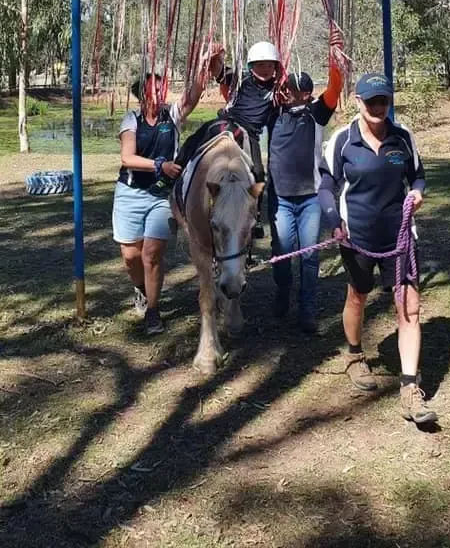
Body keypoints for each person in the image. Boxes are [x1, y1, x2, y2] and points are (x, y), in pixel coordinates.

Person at [318, 72, 436, 424]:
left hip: (399, 237)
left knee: (409, 307)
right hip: (356, 237)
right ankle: (355, 356)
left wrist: (417, 192)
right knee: (358, 296)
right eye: (371, 101)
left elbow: (418, 174)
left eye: (383, 100)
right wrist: (333, 222)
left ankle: (410, 387)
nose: (378, 107)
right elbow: (326, 185)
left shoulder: (402, 139)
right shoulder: (342, 140)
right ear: (358, 102)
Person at [114, 69, 208, 335]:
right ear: (142, 94)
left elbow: (194, 94)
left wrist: (205, 63)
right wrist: (160, 165)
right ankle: (141, 289)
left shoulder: (172, 116)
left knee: (152, 255)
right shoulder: (131, 120)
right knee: (131, 256)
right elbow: (127, 158)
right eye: (153, 88)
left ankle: (153, 311)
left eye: (161, 87)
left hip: (162, 196)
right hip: (130, 194)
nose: (159, 92)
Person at [267, 56, 344, 334]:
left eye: (293, 89)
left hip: (310, 197)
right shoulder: (273, 113)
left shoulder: (316, 113)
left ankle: (308, 309)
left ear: (306, 93)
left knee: (309, 256)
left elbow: (335, 88)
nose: (287, 92)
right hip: (280, 199)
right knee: (283, 253)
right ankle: (283, 292)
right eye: (285, 88)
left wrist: (334, 59)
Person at [174, 41, 282, 237]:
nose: (265, 69)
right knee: (192, 142)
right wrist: (214, 55)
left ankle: (254, 217)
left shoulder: (277, 89)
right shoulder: (240, 79)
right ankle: (173, 183)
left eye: (269, 65)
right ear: (251, 66)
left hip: (250, 133)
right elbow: (217, 70)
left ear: (276, 66)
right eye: (260, 65)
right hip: (227, 121)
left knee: (258, 172)